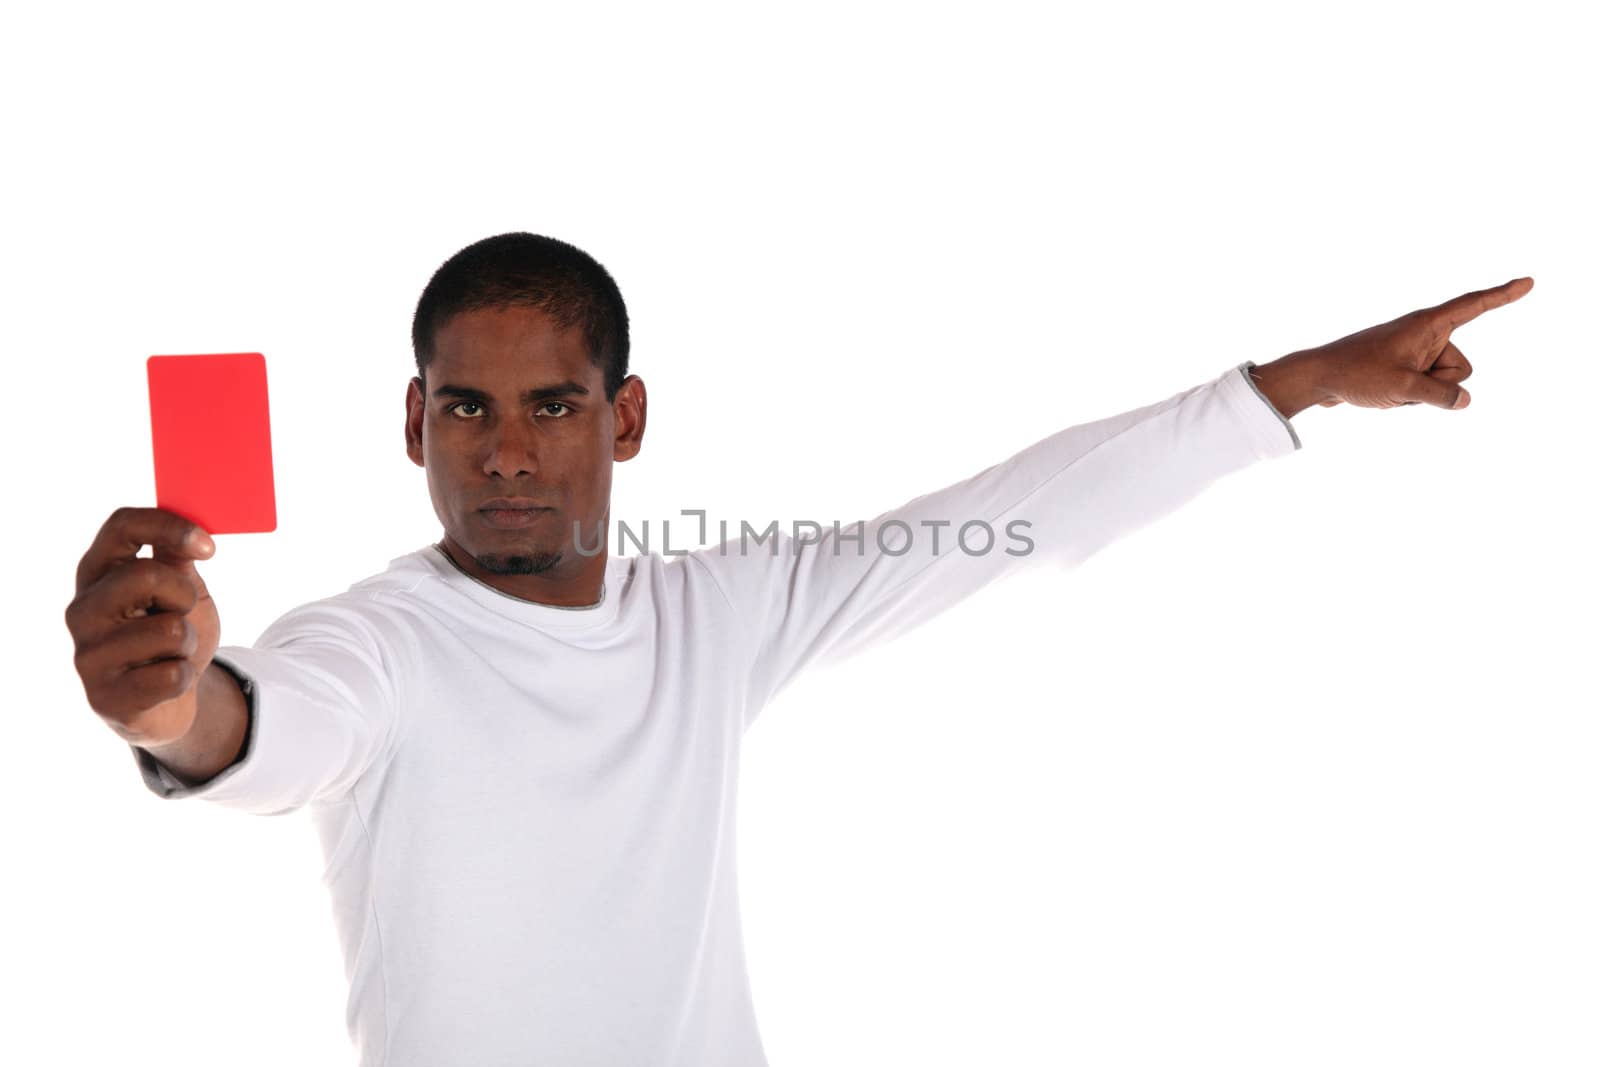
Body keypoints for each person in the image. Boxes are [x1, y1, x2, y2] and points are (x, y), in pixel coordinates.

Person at [64, 232, 1532, 1066]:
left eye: (553, 409)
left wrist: (1296, 387)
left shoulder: (717, 611)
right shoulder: (374, 642)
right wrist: (177, 706)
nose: (506, 452)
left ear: (625, 421)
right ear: (411, 424)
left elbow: (1007, 525)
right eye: (466, 411)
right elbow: (274, 730)